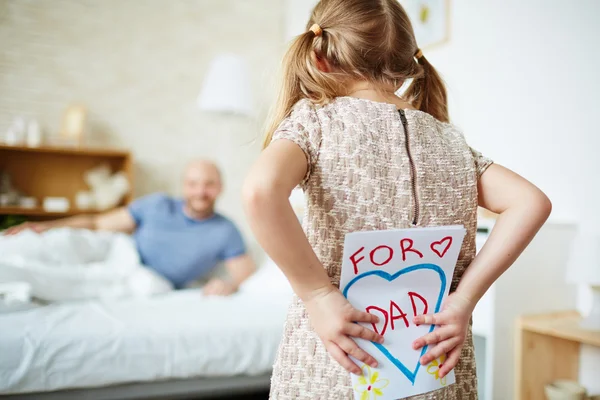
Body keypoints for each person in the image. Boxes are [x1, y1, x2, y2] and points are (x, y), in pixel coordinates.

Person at [242, 0, 552, 399]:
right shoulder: (449, 140)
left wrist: (318, 295)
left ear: (319, 57)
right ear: (408, 64)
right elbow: (531, 202)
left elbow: (259, 191)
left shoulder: (316, 122)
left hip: (344, 362)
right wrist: (464, 300)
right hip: (432, 365)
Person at [6, 160, 255, 296]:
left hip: (145, 280)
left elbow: (245, 271)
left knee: (66, 280)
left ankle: (10, 277)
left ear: (220, 188)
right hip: (118, 251)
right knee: (58, 244)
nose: (201, 192)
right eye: (193, 184)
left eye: (209, 185)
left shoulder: (225, 231)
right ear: (184, 186)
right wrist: (44, 226)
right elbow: (97, 224)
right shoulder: (158, 204)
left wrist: (229, 284)